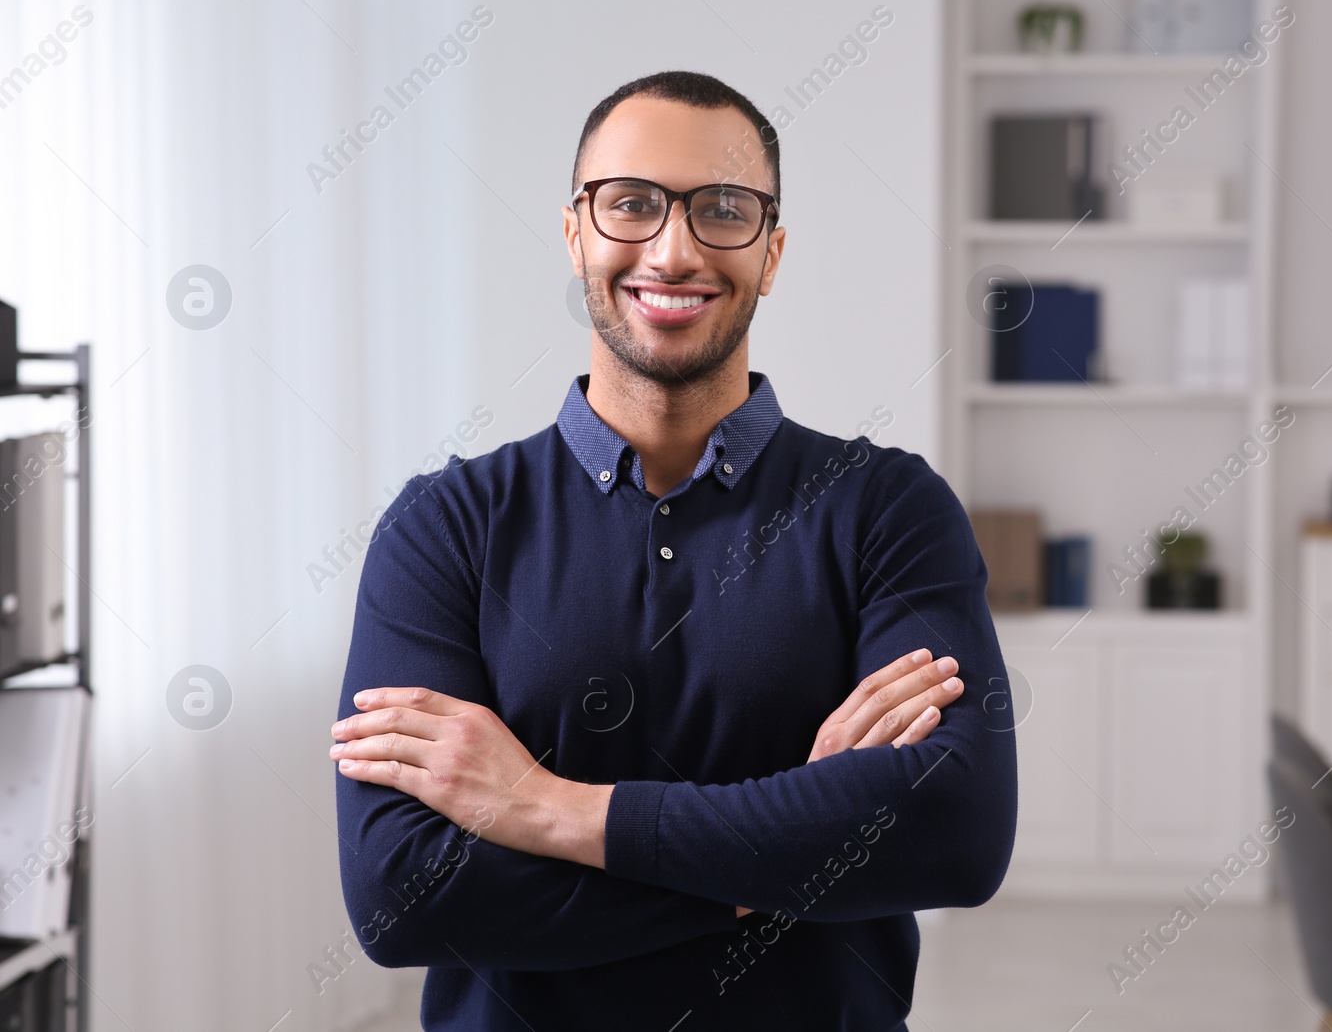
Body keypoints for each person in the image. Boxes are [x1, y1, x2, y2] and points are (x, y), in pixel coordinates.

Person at [331, 69, 1017, 1031]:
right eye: (632, 204)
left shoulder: (888, 508)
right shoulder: (445, 525)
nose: (675, 246)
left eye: (724, 209)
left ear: (772, 253)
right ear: (576, 232)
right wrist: (787, 853)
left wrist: (549, 808)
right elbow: (401, 896)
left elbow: (958, 833)